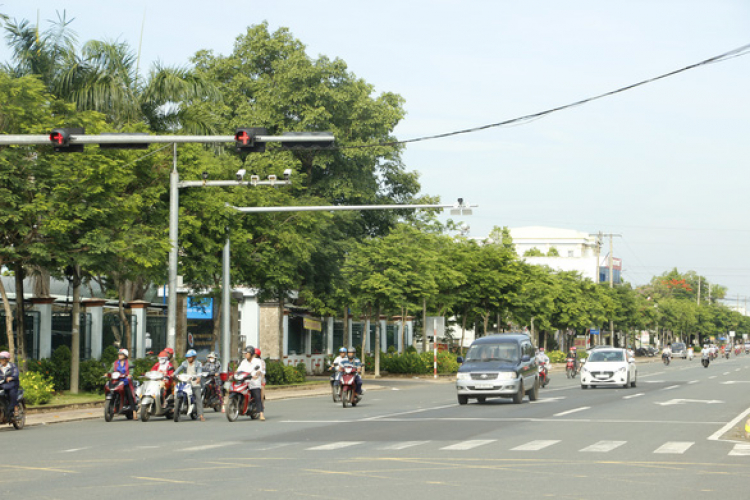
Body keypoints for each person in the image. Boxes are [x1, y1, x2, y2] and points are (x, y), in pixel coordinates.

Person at [174, 349, 205, 421]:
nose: (188, 358)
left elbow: (199, 371)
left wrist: (198, 378)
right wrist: (174, 374)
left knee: (198, 398)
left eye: (190, 357)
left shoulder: (198, 364)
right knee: (177, 392)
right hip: (186, 383)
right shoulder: (184, 363)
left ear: (194, 357)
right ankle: (175, 409)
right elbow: (178, 370)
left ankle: (201, 415)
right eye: (187, 357)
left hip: (195, 384)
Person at [237, 346, 265, 421]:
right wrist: (234, 374)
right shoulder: (243, 362)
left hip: (254, 382)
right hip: (244, 381)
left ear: (251, 353)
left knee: (257, 396)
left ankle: (261, 413)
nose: (245, 355)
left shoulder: (257, 361)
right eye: (245, 353)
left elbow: (259, 370)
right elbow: (239, 370)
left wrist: (256, 375)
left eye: (247, 353)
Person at [111, 349, 137, 419]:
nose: (119, 355)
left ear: (125, 355)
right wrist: (107, 373)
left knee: (129, 394)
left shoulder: (129, 363)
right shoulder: (115, 363)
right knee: (112, 391)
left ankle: (134, 411)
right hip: (117, 381)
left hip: (125, 381)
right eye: (119, 354)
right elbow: (111, 370)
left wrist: (130, 375)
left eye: (121, 354)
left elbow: (131, 370)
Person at [0, 351, 20, 422]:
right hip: (2, 384)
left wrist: (11, 377)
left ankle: (15, 408)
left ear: (7, 359)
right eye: (0, 359)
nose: (1, 360)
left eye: (2, 359)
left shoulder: (12, 366)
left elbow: (16, 373)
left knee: (11, 393)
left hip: (12, 384)